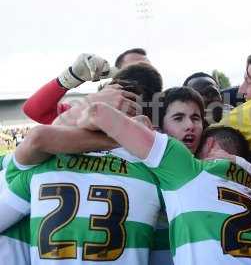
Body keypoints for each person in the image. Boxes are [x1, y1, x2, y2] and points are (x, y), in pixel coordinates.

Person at [72, 99, 251, 264]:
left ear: (211, 143)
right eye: (179, 118)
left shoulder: (189, 169)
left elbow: (98, 112)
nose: (190, 127)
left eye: (196, 119)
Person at [0, 64, 164, 265]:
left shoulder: (155, 166)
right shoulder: (47, 154)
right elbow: (38, 133)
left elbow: (40, 136)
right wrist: (123, 134)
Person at [22, 48, 149, 124]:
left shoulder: (163, 109)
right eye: (135, 66)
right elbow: (34, 111)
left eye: (147, 66)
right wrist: (71, 77)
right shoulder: (90, 111)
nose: (143, 71)